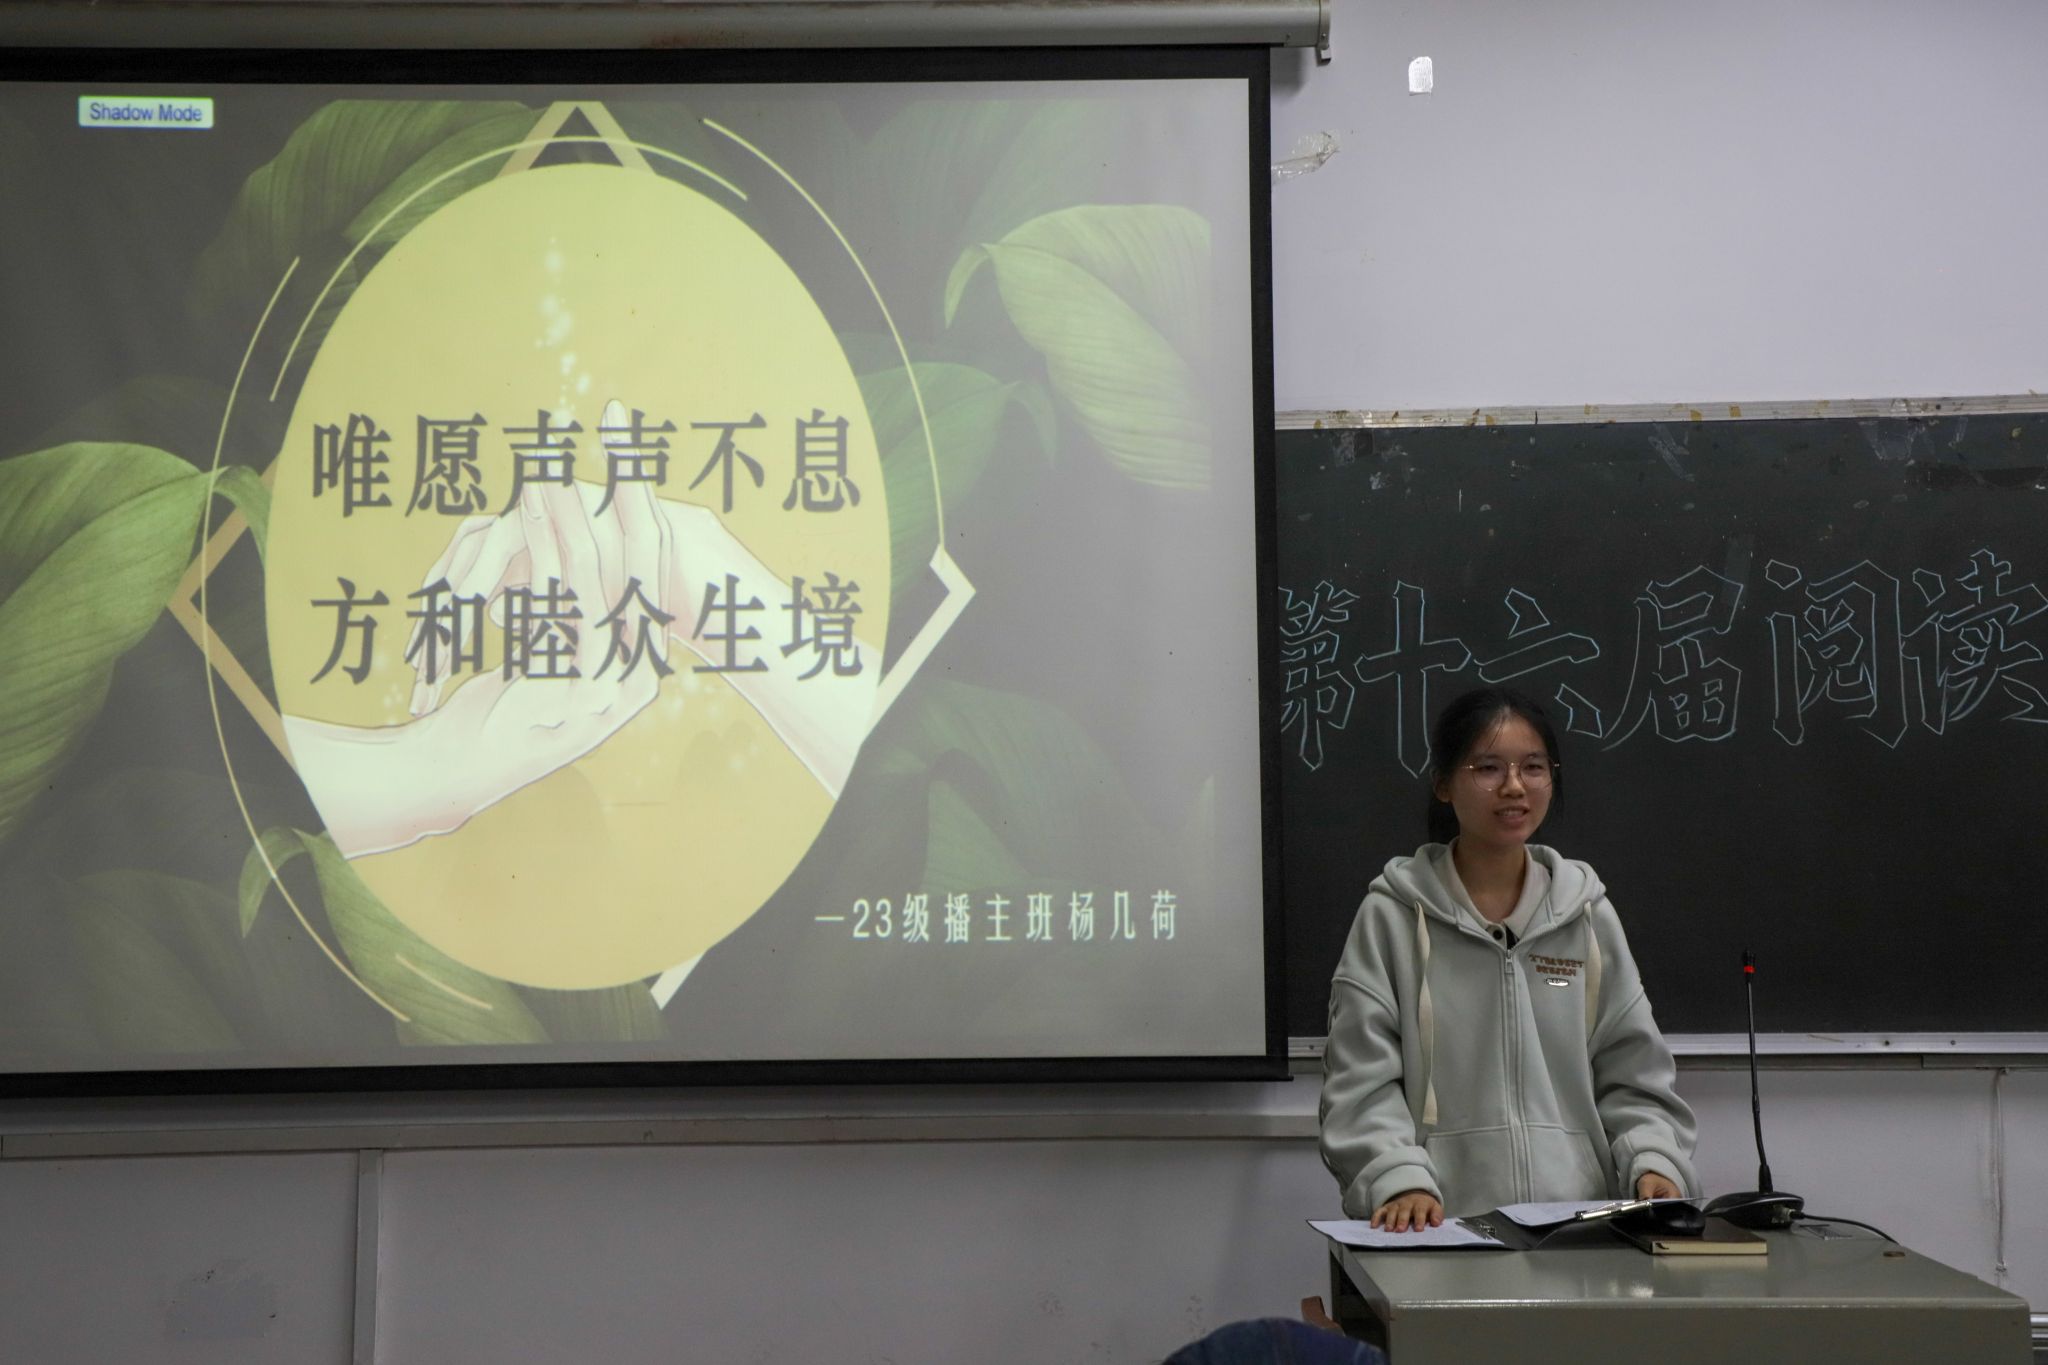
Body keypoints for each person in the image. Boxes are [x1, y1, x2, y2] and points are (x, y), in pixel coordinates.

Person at [1318, 686, 1697, 1230]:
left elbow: (1632, 1072)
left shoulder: (1586, 916)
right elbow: (1360, 1081)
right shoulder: (1393, 916)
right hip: (1438, 1225)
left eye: (1533, 767)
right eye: (1488, 768)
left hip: (1577, 1227)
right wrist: (1398, 1177)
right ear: (1443, 784)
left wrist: (1653, 1159)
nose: (1514, 786)